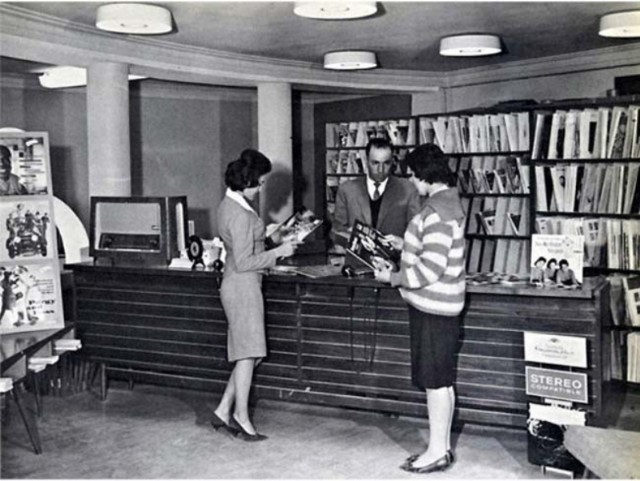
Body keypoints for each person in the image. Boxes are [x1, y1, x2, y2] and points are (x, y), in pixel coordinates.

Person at [373, 143, 465, 474]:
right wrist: (405, 244)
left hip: (433, 310)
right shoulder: (445, 205)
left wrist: (392, 276)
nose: (412, 182)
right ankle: (441, 448)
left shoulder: (436, 212)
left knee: (434, 382)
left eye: (413, 176)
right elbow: (431, 252)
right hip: (440, 308)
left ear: (426, 176)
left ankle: (436, 452)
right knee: (442, 381)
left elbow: (430, 270)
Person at [211, 149, 298, 442]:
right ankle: (241, 416)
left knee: (250, 353)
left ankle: (224, 409)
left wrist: (268, 235)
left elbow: (242, 247)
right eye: (259, 183)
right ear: (247, 182)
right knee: (249, 353)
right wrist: (279, 252)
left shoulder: (230, 205)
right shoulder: (241, 214)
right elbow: (246, 260)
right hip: (243, 286)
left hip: (238, 284)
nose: (261, 188)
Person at [332, 138, 420, 246]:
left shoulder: (408, 189)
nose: (380, 169)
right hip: (356, 260)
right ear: (366, 161)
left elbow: (416, 233)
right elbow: (338, 231)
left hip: (394, 260)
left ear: (393, 161)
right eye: (375, 163)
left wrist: (402, 243)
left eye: (386, 163)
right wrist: (354, 238)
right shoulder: (347, 190)